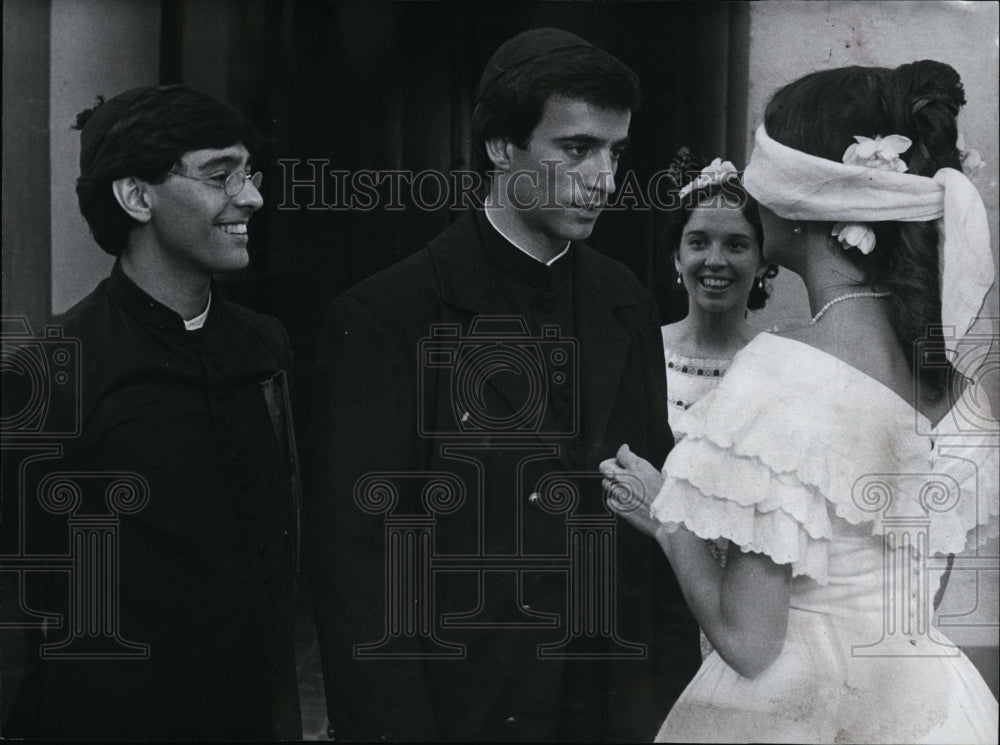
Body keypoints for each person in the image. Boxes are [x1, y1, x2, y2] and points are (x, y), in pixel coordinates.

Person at [308, 28, 700, 742]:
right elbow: (361, 573)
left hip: (608, 701)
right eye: (576, 148)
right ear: (499, 147)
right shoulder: (386, 314)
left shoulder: (625, 299)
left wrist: (667, 709)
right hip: (467, 703)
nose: (604, 179)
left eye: (615, 152)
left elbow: (654, 516)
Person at [602, 60, 999, 743]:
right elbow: (920, 596)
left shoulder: (782, 373)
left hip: (806, 712)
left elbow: (750, 641)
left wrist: (669, 519)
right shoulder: (957, 380)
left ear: (800, 199)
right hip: (933, 708)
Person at [6, 85, 302, 740]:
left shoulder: (264, 345)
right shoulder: (53, 368)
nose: (251, 197)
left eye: (249, 174)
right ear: (137, 196)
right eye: (221, 175)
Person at [660, 153, 777, 438]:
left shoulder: (776, 364)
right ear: (678, 255)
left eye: (735, 245)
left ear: (762, 261)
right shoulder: (646, 348)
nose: (714, 260)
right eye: (699, 242)